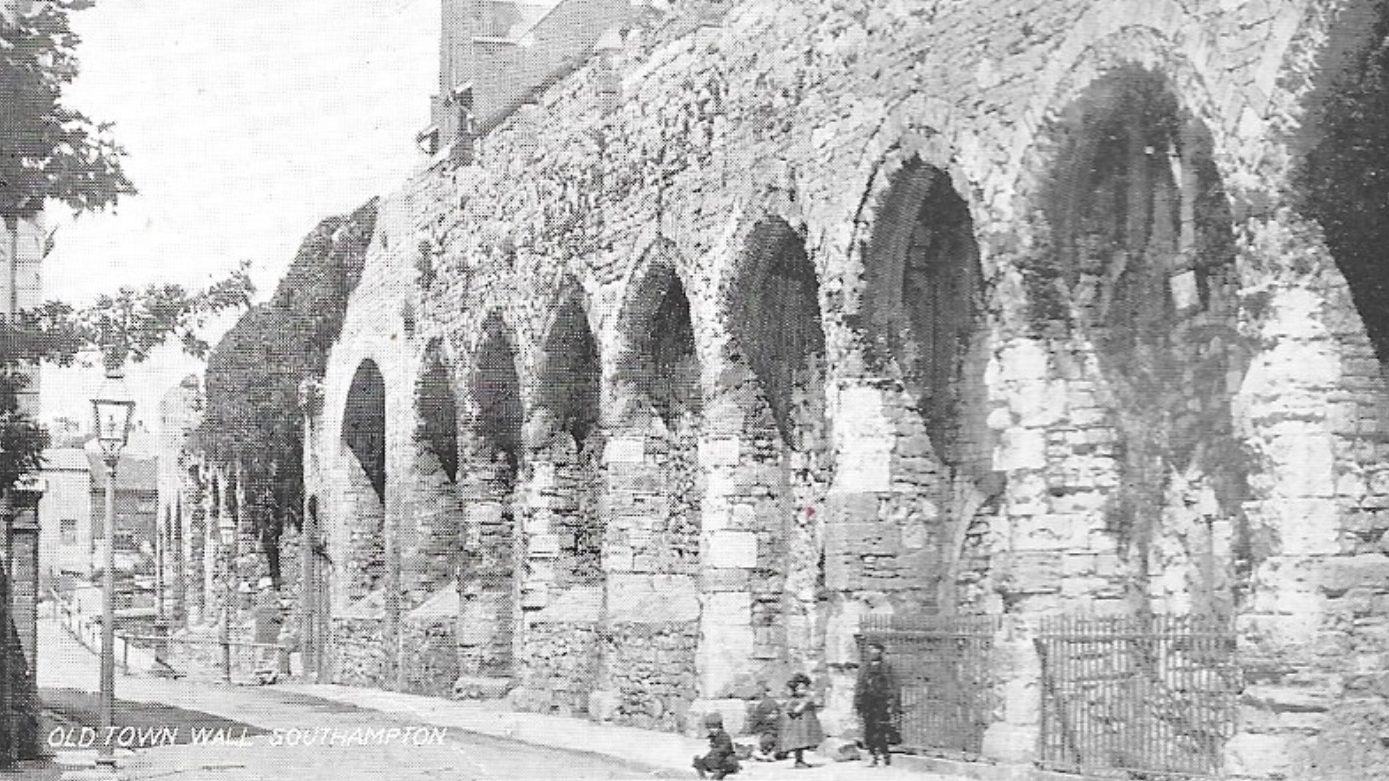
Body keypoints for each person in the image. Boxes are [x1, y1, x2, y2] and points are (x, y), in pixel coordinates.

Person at [854, 641, 901, 767]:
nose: (873, 652)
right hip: (867, 701)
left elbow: (894, 684)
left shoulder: (887, 666)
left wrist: (894, 703)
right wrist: (857, 701)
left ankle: (884, 754)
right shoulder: (864, 667)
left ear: (881, 651)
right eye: (870, 650)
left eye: (876, 650)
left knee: (880, 728)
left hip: (882, 701)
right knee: (869, 728)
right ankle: (872, 754)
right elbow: (859, 684)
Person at [778, 672, 824, 769]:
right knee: (798, 744)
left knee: (803, 743)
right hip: (797, 727)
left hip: (805, 726)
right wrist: (804, 703)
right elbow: (793, 711)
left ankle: (801, 760)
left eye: (805, 688)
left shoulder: (807, 698)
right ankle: (798, 760)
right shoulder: (793, 700)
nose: (803, 690)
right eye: (800, 688)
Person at [252, 576, 283, 683]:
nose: (270, 590)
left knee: (267, 654)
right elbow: (279, 616)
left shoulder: (261, 602)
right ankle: (264, 674)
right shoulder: (268, 603)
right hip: (266, 633)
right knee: (265, 654)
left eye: (271, 588)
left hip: (269, 633)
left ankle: (265, 674)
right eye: (268, 588)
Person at [692, 712, 740, 779]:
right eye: (709, 728)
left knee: (725, 765)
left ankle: (718, 774)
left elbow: (724, 749)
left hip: (725, 759)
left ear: (719, 727)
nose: (712, 730)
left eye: (714, 728)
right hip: (716, 758)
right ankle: (703, 777)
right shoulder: (713, 737)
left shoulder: (724, 736)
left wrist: (714, 752)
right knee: (699, 762)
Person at [747, 680, 781, 760]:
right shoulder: (769, 702)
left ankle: (767, 752)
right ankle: (767, 752)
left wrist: (752, 728)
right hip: (769, 732)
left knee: (761, 742)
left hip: (768, 733)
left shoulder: (767, 703)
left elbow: (757, 719)